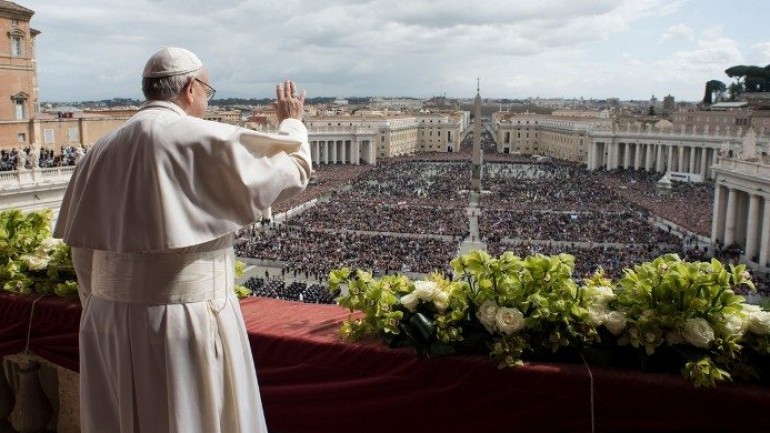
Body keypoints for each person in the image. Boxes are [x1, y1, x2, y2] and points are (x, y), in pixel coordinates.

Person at [54, 47, 311, 433]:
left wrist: (103, 306)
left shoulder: (99, 151)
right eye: (209, 91)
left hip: (104, 319)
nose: (207, 101)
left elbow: (83, 252)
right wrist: (292, 123)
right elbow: (292, 172)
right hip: (183, 318)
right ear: (191, 88)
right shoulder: (202, 138)